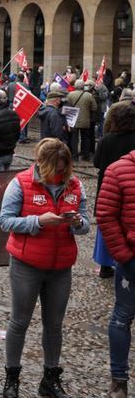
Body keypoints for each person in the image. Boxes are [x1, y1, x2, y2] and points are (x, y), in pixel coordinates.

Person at [0, 138, 89, 398]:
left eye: (63, 169)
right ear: (41, 164)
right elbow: (5, 221)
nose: (58, 175)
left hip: (61, 266)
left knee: (54, 325)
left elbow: (86, 224)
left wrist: (78, 222)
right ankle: (12, 378)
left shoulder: (75, 184)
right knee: (20, 321)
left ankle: (50, 378)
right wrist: (37, 221)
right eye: (54, 169)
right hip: (26, 264)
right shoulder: (21, 183)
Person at [96, 146, 135, 398]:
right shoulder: (119, 170)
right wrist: (123, 255)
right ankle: (118, 380)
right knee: (122, 318)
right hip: (132, 261)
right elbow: (106, 215)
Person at [92, 102, 135, 279]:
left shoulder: (107, 139)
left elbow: (96, 162)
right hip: (130, 186)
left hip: (108, 186)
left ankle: (105, 265)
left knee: (107, 224)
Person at [66, 79, 97, 161]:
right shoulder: (89, 95)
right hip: (85, 120)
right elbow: (94, 107)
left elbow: (67, 107)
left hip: (73, 120)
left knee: (74, 139)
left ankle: (74, 156)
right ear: (83, 86)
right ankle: (86, 156)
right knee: (86, 138)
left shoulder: (70, 95)